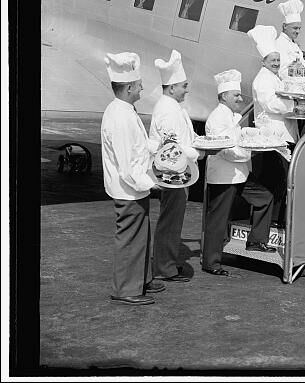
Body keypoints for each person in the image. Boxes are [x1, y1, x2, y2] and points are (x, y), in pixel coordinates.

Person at [101, 52, 165, 305]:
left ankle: (141, 279)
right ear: (128, 87)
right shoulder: (121, 117)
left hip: (133, 189)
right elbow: (127, 167)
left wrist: (159, 146)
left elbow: (139, 148)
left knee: (141, 236)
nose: (142, 88)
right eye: (139, 85)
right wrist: (153, 183)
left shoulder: (125, 110)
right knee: (130, 239)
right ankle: (125, 289)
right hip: (129, 189)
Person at [202, 69, 276, 276]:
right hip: (225, 176)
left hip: (240, 174)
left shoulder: (232, 117)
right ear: (224, 96)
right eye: (235, 95)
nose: (240, 98)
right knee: (218, 218)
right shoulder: (217, 118)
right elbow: (225, 149)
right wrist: (249, 153)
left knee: (265, 198)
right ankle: (211, 262)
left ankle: (256, 241)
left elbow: (238, 139)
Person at [149, 49, 200, 283]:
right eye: (184, 86)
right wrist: (199, 152)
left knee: (172, 219)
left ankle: (166, 264)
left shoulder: (173, 106)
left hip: (179, 172)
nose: (187, 90)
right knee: (170, 220)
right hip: (172, 174)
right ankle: (164, 267)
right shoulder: (168, 110)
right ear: (172, 88)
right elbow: (174, 148)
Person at [250, 25, 297, 225]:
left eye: (278, 60)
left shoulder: (273, 77)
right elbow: (270, 103)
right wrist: (293, 104)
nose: (277, 63)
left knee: (279, 181)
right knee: (274, 180)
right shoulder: (262, 79)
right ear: (264, 61)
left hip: (281, 134)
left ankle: (276, 220)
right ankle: (270, 222)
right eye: (273, 60)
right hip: (271, 135)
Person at [276, 0, 305, 79]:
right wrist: (304, 71)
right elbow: (281, 72)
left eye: (299, 28)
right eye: (295, 28)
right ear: (285, 26)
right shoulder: (280, 44)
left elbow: (298, 65)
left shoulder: (293, 44)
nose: (298, 31)